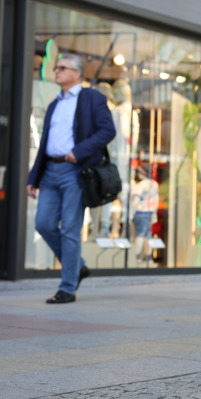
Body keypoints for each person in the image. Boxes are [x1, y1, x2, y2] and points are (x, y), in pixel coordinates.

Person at [26, 53, 116, 304]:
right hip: (49, 172)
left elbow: (108, 130)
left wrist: (79, 151)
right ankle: (78, 266)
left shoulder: (92, 98)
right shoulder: (55, 104)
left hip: (75, 171)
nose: (56, 71)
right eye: (56, 68)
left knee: (70, 230)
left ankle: (67, 288)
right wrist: (33, 177)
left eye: (62, 68)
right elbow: (46, 143)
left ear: (77, 73)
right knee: (43, 224)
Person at [131, 164, 159, 263]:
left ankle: (137, 256)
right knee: (147, 235)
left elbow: (136, 200)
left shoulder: (140, 185)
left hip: (140, 211)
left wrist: (131, 213)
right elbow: (156, 200)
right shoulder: (154, 184)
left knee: (139, 234)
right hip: (150, 211)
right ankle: (148, 256)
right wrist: (154, 213)